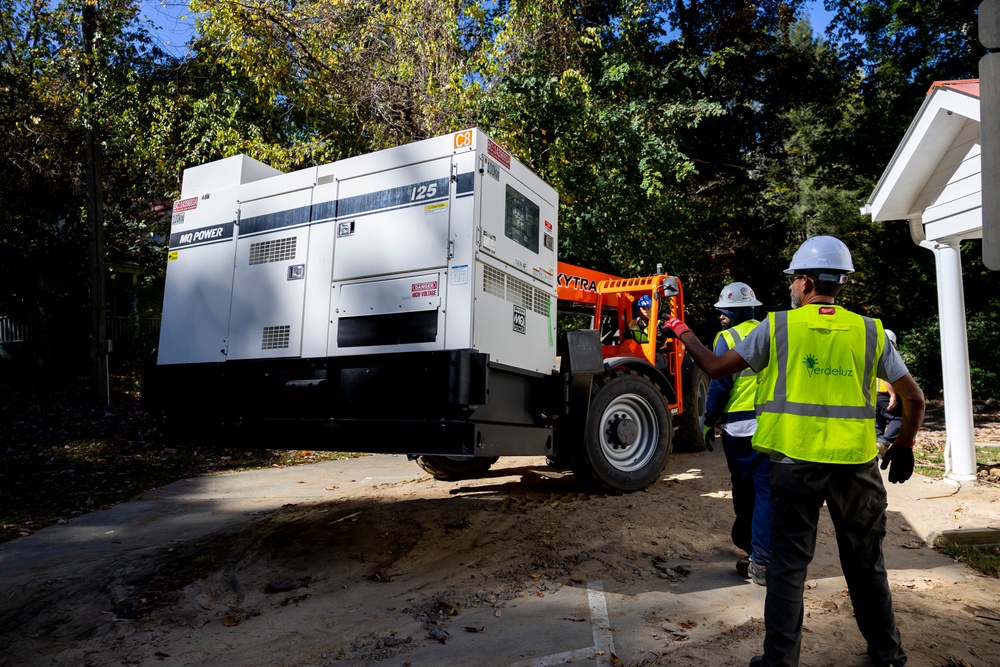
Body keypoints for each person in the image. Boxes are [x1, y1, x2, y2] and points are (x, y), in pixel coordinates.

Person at [661, 236, 925, 667]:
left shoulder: (778, 326)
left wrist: (679, 329)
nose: (789, 289)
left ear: (804, 282)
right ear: (840, 282)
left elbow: (712, 367)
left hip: (793, 465)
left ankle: (779, 662)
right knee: (866, 565)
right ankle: (888, 655)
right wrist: (906, 443)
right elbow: (913, 398)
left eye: (791, 281)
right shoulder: (870, 332)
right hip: (856, 469)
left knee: (787, 569)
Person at [705, 282, 771, 585]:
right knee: (766, 491)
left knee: (745, 492)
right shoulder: (771, 330)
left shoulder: (727, 338)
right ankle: (763, 552)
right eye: (721, 311)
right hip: (771, 425)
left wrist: (708, 419)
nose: (722, 316)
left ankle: (751, 544)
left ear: (742, 310)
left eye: (727, 311)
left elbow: (720, 384)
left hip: (740, 428)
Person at [875, 330, 903, 447]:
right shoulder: (888, 356)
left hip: (874, 396)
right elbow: (887, 377)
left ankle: (877, 446)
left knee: (878, 422)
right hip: (885, 395)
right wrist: (893, 395)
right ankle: (883, 443)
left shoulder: (872, 355)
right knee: (899, 418)